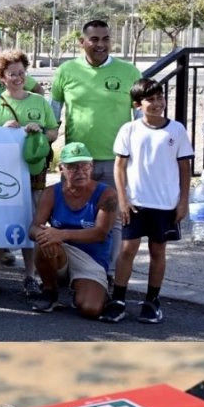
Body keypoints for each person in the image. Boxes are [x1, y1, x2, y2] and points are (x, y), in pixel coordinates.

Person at [53, 19, 142, 255]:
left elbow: (141, 117)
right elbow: (54, 114)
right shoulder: (66, 71)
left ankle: (107, 274)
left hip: (117, 162)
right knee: (73, 215)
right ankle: (73, 269)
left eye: (105, 39)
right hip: (77, 162)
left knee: (113, 220)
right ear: (82, 42)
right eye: (94, 39)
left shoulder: (129, 71)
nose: (100, 44)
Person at [108, 78, 192, 325]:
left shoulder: (176, 130)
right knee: (127, 250)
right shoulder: (129, 130)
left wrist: (183, 201)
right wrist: (123, 199)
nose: (157, 103)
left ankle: (152, 300)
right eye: (150, 99)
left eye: (160, 97)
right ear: (137, 104)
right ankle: (119, 299)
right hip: (135, 203)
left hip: (165, 204)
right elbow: (119, 167)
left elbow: (184, 167)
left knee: (158, 250)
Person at [0, 49, 59, 298]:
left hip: (33, 174)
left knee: (32, 221)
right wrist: (2, 130)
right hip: (1, 175)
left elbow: (54, 132)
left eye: (21, 73)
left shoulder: (39, 102)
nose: (18, 78)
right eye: (12, 74)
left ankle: (30, 276)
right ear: (1, 77)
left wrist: (40, 132)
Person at [31, 143, 114, 318]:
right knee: (44, 241)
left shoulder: (107, 195)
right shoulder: (51, 193)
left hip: (91, 259)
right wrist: (43, 234)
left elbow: (100, 233)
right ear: (61, 169)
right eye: (72, 167)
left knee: (90, 310)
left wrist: (61, 234)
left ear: (92, 166)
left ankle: (86, 289)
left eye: (84, 165)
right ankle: (49, 291)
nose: (80, 171)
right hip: (61, 251)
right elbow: (33, 228)